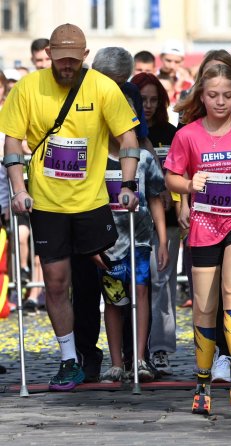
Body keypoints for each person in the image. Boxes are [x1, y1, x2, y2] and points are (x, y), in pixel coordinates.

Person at [0, 23, 139, 391]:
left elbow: (127, 136)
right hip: (47, 204)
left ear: (85, 56)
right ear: (48, 53)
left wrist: (127, 184)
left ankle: (118, 354)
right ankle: (69, 360)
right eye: (60, 60)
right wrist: (18, 189)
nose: (66, 67)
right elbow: (12, 143)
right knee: (58, 283)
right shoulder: (29, 88)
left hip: (91, 203)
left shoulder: (102, 87)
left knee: (105, 278)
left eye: (73, 61)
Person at [165, 63, 231, 414]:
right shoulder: (188, 135)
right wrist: (188, 185)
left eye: (228, 95)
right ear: (201, 96)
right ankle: (203, 378)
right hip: (204, 223)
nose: (221, 102)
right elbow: (172, 177)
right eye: (213, 95)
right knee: (205, 303)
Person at [99, 94, 168, 383]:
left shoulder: (145, 158)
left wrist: (162, 240)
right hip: (109, 244)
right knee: (114, 301)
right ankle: (117, 362)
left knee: (141, 295)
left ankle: (139, 358)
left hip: (139, 241)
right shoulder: (97, 157)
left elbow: (155, 199)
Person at [131, 72, 181, 376]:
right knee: (137, 284)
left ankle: (161, 348)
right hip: (134, 221)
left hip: (168, 218)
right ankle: (135, 348)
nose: (147, 106)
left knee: (163, 284)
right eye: (142, 100)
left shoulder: (170, 133)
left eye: (153, 100)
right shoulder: (126, 134)